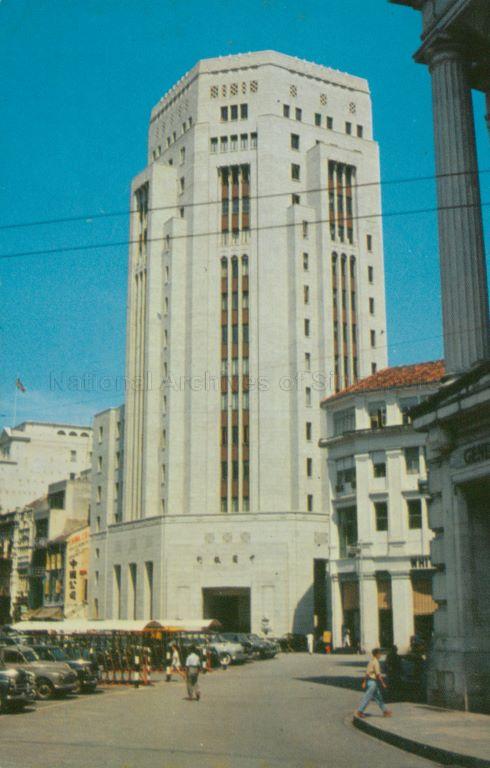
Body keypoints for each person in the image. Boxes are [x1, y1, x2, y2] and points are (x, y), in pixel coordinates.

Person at [356, 648, 392, 718]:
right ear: (376, 654)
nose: (380, 655)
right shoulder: (376, 662)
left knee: (378, 697)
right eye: (380, 654)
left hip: (370, 682)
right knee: (367, 697)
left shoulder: (371, 661)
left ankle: (385, 711)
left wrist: (364, 682)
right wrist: (383, 683)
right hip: (372, 683)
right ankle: (360, 711)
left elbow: (367, 673)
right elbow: (378, 674)